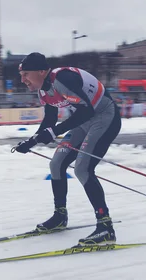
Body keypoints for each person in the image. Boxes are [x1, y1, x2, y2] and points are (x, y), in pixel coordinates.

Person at [13, 52, 121, 245]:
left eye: (26, 74)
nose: (23, 80)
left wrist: (55, 132)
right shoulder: (43, 90)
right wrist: (32, 141)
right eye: (21, 75)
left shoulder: (62, 78)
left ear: (41, 71)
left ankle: (105, 227)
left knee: (82, 169)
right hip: (83, 122)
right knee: (56, 164)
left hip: (104, 118)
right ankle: (59, 217)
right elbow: (50, 120)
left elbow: (86, 110)